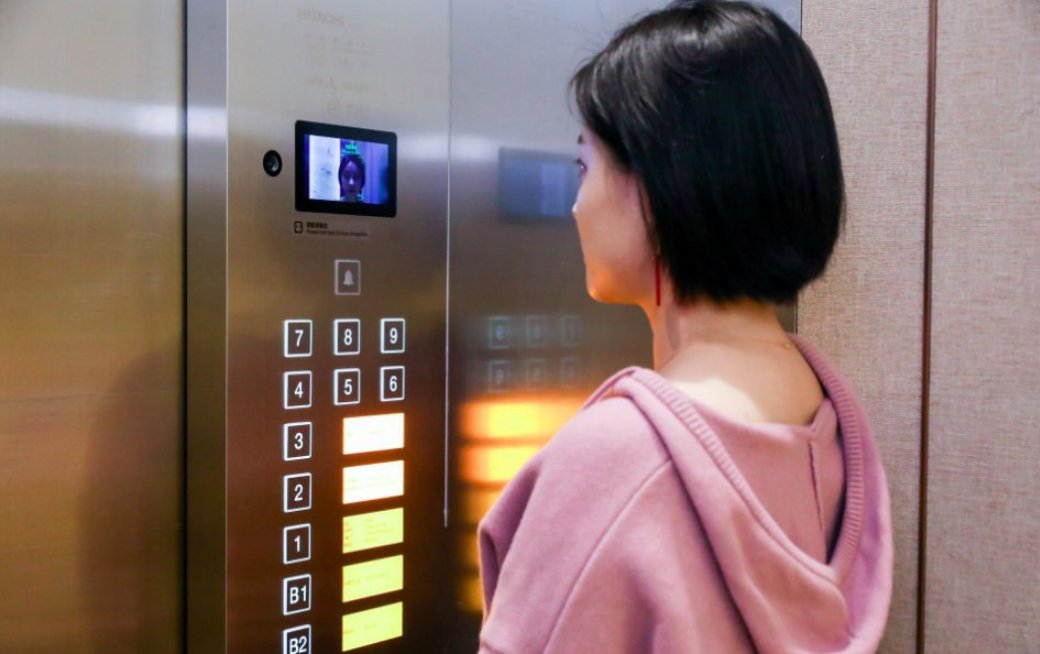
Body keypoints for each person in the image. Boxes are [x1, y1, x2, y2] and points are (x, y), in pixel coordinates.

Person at [477, 2, 893, 653]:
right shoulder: (827, 421)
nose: (576, 206)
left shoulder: (616, 460)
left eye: (585, 167)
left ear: (660, 188)